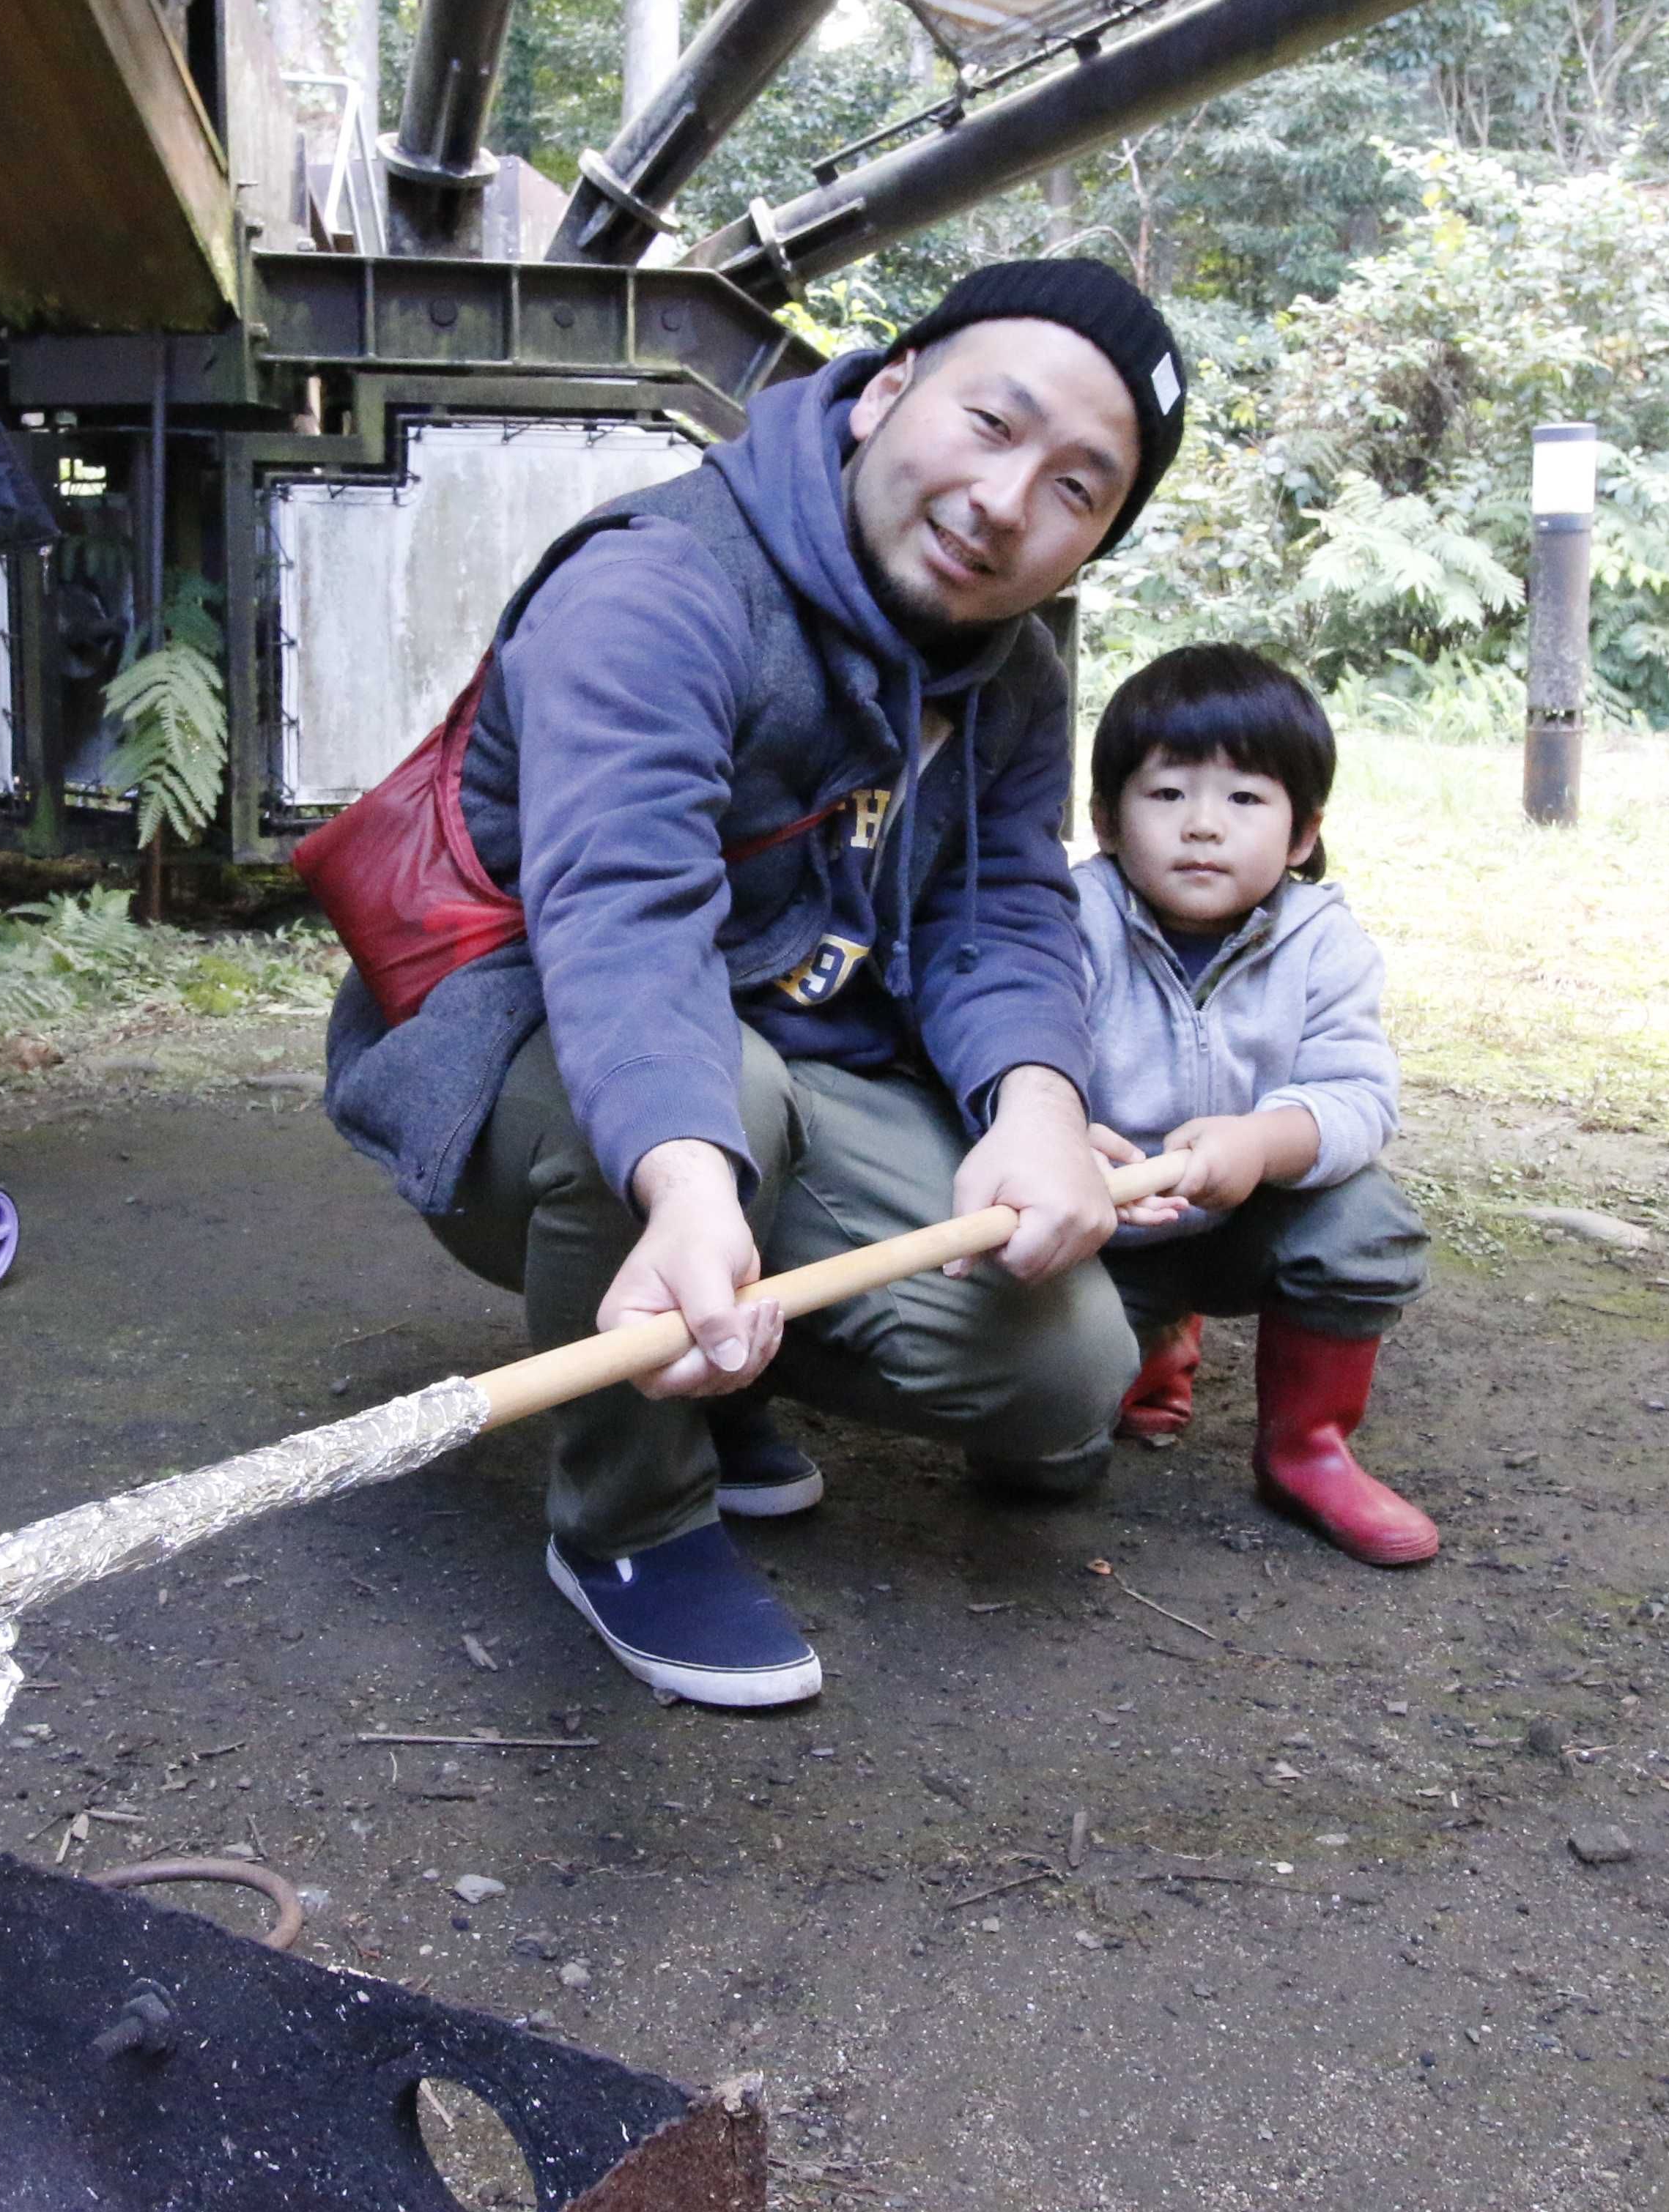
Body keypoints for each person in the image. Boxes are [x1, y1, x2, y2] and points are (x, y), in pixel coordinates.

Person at [319, 259, 1194, 1710]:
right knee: (721, 1102)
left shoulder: (1017, 677)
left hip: (794, 1065)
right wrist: (684, 1182)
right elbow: (627, 914)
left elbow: (1000, 906)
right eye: (992, 422)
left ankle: (726, 1372)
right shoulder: (659, 586)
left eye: (1076, 488)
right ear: (888, 390)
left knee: (1061, 1375)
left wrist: (1039, 1099)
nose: (1003, 501)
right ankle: (627, 1526)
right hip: (532, 1054)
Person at [1071, 643, 1435, 1563]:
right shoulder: (1070, 921)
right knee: (1036, 1474)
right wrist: (1062, 1139)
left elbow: (1358, 1095)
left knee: (1368, 1220)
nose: (1203, 826)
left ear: (1302, 833)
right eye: (1166, 796)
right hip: (1094, 1235)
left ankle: (1307, 1449)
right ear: (1107, 821)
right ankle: (1136, 1358)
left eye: (1244, 798)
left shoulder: (1325, 943)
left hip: (1249, 1223)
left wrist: (1264, 1141)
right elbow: (1015, 1063)